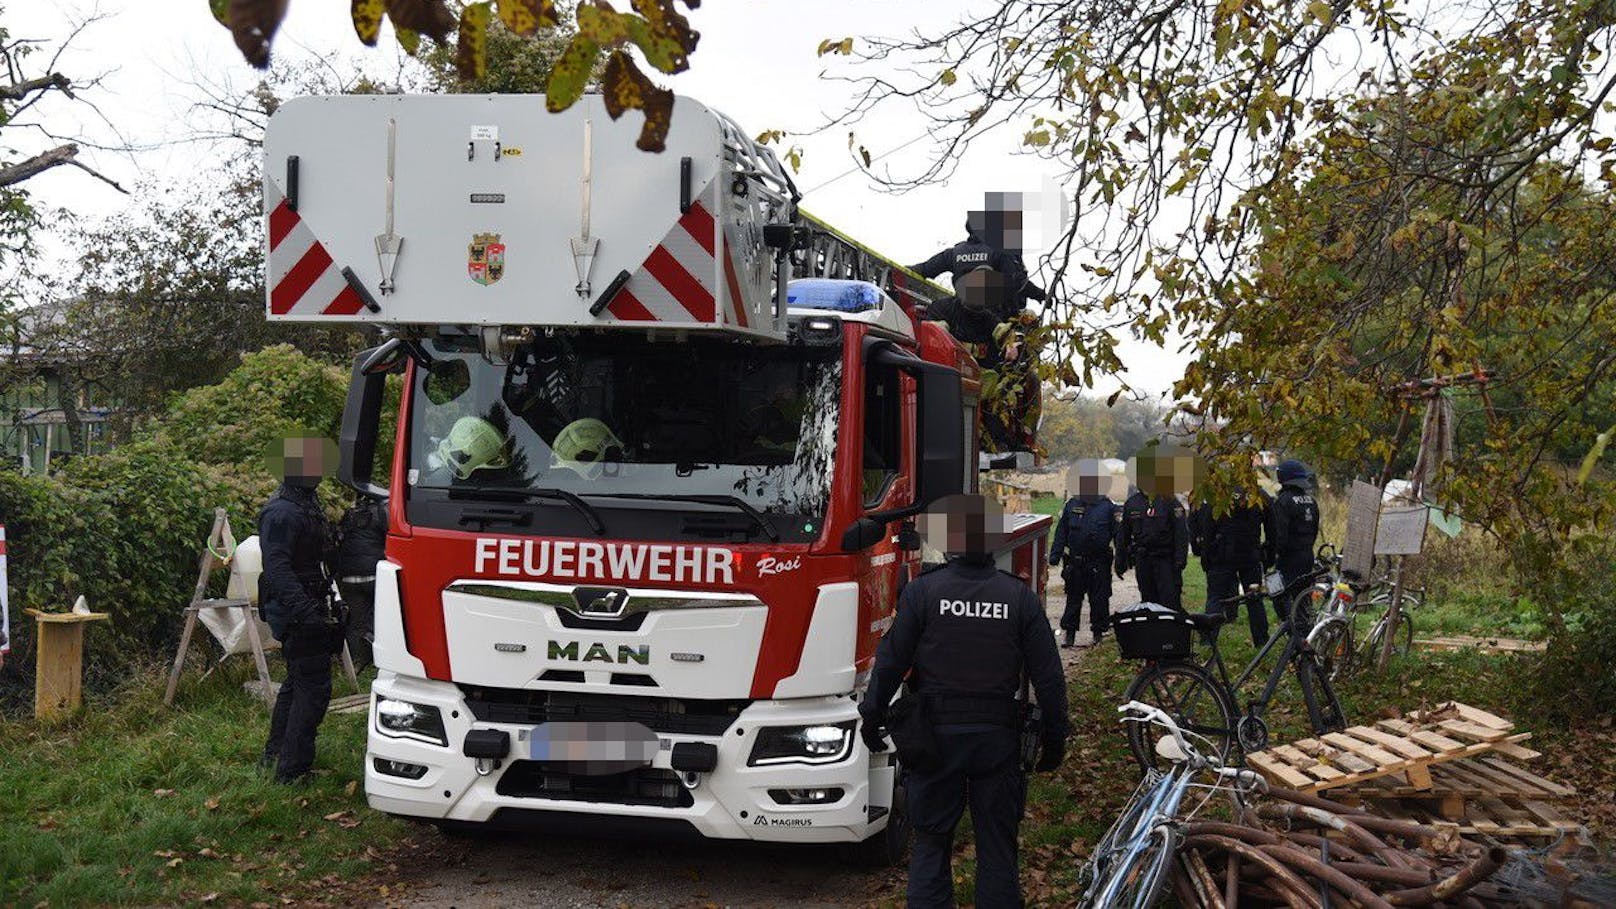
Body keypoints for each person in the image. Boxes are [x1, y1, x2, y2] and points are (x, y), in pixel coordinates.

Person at [859, 494, 1069, 909]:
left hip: (933, 741)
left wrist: (872, 718)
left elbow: (889, 663)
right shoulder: (1018, 598)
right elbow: (1049, 679)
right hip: (997, 740)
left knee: (932, 845)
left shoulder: (923, 593)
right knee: (997, 849)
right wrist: (1054, 741)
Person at [259, 436, 342, 785]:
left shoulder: (305, 503)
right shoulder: (281, 512)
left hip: (305, 604)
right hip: (296, 610)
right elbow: (278, 569)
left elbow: (317, 553)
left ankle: (276, 757)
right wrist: (306, 612)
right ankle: (292, 772)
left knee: (296, 684)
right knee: (314, 687)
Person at [1048, 463, 1124, 647]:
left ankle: (1098, 634)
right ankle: (1069, 634)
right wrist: (1055, 556)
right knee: (1073, 599)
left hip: (1099, 562)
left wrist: (1123, 560)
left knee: (1099, 599)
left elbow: (1119, 536)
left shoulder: (1108, 507)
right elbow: (1061, 533)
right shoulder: (1072, 505)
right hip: (1076, 562)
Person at [1191, 486, 1275, 646]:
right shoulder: (1259, 494)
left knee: (1215, 597)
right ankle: (1262, 641)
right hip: (1250, 555)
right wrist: (1269, 557)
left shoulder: (1220, 493)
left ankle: (1208, 641)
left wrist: (1206, 557)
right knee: (1254, 598)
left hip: (1222, 555)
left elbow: (1208, 526)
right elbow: (1272, 530)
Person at [1120, 465, 1190, 611]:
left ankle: (1173, 632)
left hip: (1166, 560)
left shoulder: (1169, 500)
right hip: (1143, 559)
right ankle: (1153, 632)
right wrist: (1120, 561)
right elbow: (1123, 535)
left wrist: (1180, 560)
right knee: (1148, 601)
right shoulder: (1132, 503)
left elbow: (1181, 533)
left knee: (1169, 600)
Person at [336, 494, 387, 672]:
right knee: (384, 618)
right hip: (376, 575)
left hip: (349, 577)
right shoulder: (382, 512)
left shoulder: (347, 516)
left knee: (356, 622)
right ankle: (381, 660)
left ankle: (354, 666)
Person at [1268, 459, 1322, 595]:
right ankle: (1303, 617)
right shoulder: (1311, 501)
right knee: (1303, 595)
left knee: (1280, 593)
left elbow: (1280, 534)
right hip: (1307, 554)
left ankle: (1287, 617)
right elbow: (1315, 529)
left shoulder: (1283, 501)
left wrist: (1274, 553)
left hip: (1288, 558)